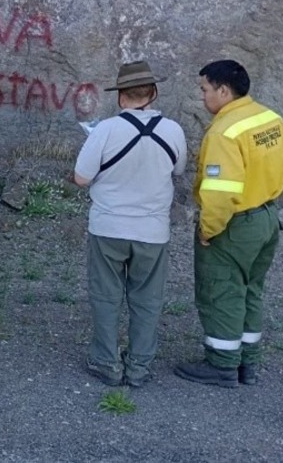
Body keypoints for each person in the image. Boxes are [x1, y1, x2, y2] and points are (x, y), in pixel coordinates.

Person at [175, 60, 283, 388]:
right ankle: (247, 363)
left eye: (205, 89)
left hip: (235, 224)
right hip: (268, 216)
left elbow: (219, 192)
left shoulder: (224, 132)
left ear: (223, 91)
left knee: (221, 291)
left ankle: (222, 364)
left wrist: (208, 229)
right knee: (250, 290)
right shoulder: (270, 119)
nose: (202, 97)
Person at [74, 60, 188, 387]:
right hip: (153, 231)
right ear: (153, 93)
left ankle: (106, 362)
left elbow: (81, 178)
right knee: (147, 299)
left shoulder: (106, 129)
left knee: (106, 296)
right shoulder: (174, 130)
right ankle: (139, 367)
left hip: (108, 227)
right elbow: (178, 171)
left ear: (121, 97)